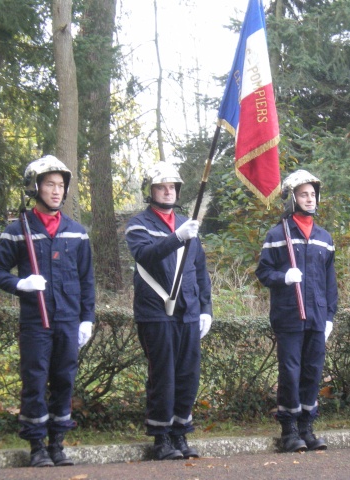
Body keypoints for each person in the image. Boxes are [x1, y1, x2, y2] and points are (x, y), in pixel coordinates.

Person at [0, 155, 95, 467]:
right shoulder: (16, 230)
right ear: (35, 187)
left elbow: (87, 279)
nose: (55, 191)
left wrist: (87, 319)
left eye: (60, 186)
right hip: (36, 321)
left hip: (68, 319)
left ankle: (57, 443)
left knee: (64, 380)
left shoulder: (77, 232)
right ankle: (36, 446)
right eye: (49, 184)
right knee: (35, 381)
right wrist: (21, 283)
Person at [125, 162, 212, 460]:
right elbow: (146, 255)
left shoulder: (187, 223)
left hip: (188, 308)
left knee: (188, 374)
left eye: (172, 186)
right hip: (155, 309)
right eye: (162, 187)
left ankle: (180, 433)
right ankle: (161, 437)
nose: (168, 191)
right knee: (163, 375)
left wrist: (206, 309)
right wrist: (177, 237)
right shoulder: (138, 224)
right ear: (150, 191)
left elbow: (200, 270)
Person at [256, 170, 338, 453]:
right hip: (289, 315)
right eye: (303, 194)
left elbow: (330, 282)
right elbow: (263, 272)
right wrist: (283, 277)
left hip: (317, 316)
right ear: (292, 198)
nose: (310, 199)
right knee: (290, 372)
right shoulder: (278, 234)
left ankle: (307, 426)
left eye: (313, 194)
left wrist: (330, 316)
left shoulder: (324, 237)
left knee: (312, 372)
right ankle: (289, 429)